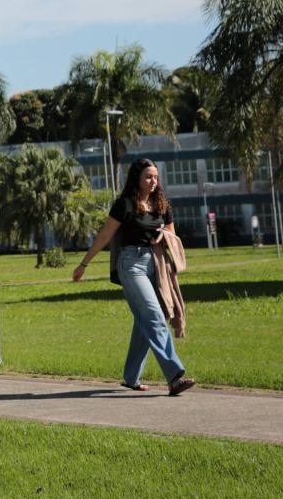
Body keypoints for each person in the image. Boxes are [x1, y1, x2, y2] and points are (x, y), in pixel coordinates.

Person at [72, 158, 195, 396]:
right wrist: (83, 264)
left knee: (144, 322)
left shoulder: (161, 204)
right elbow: (104, 236)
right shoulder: (124, 205)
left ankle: (131, 377)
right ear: (136, 178)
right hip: (132, 265)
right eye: (148, 177)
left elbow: (171, 234)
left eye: (156, 177)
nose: (154, 181)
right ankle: (174, 376)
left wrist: (161, 237)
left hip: (157, 266)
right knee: (154, 316)